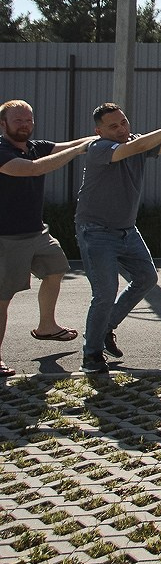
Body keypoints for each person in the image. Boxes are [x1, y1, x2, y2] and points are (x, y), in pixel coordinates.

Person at [76, 103, 161, 377]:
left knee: (147, 278)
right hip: (95, 231)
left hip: (127, 230)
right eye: (113, 126)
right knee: (105, 292)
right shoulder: (99, 149)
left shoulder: (135, 142)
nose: (121, 129)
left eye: (123, 122)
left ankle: (107, 328)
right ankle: (91, 354)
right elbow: (132, 148)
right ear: (99, 131)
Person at [0, 99, 94, 375]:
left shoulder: (34, 147)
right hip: (7, 237)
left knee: (56, 270)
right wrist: (79, 149)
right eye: (18, 120)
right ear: (3, 124)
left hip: (37, 231)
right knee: (3, 298)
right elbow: (33, 169)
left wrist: (100, 137)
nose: (25, 125)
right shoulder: (2, 150)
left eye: (28, 119)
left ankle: (46, 327)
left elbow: (67, 146)